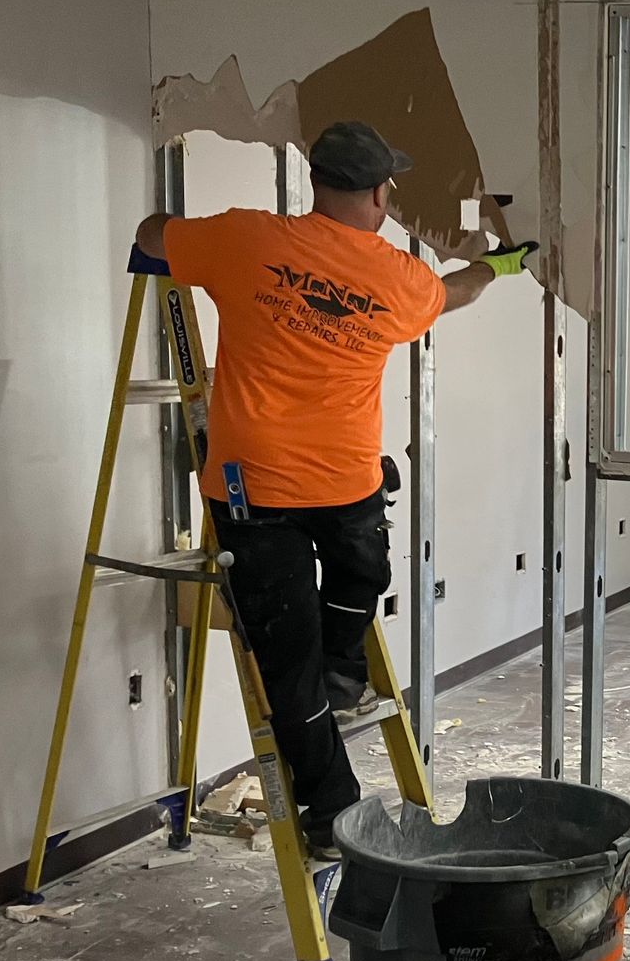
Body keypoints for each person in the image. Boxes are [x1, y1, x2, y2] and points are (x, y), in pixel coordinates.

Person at [135, 121, 532, 856]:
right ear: (381, 194)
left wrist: (166, 227)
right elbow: (455, 292)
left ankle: (331, 772)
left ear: (318, 181)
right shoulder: (397, 277)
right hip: (343, 484)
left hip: (250, 489)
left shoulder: (244, 239)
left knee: (288, 658)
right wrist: (497, 266)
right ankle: (335, 773)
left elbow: (153, 236)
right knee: (356, 582)